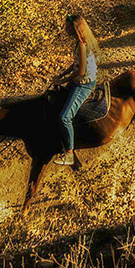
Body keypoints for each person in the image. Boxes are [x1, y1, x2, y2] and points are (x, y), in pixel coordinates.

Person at [50, 13, 101, 166]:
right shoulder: (81, 42)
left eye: (67, 27)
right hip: (80, 79)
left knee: (64, 117)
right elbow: (76, 64)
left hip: (83, 84)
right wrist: (62, 74)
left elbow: (80, 72)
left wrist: (62, 80)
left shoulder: (81, 44)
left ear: (75, 28)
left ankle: (69, 153)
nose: (65, 29)